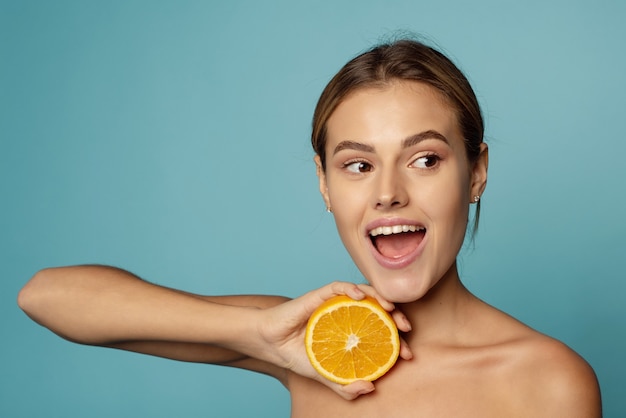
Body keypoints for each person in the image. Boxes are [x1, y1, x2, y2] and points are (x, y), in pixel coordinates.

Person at [18, 38, 601, 417]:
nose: (388, 192)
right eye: (358, 165)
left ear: (477, 173)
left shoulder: (549, 382)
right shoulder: (303, 344)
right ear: (326, 186)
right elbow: (46, 295)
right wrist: (257, 333)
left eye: (425, 159)